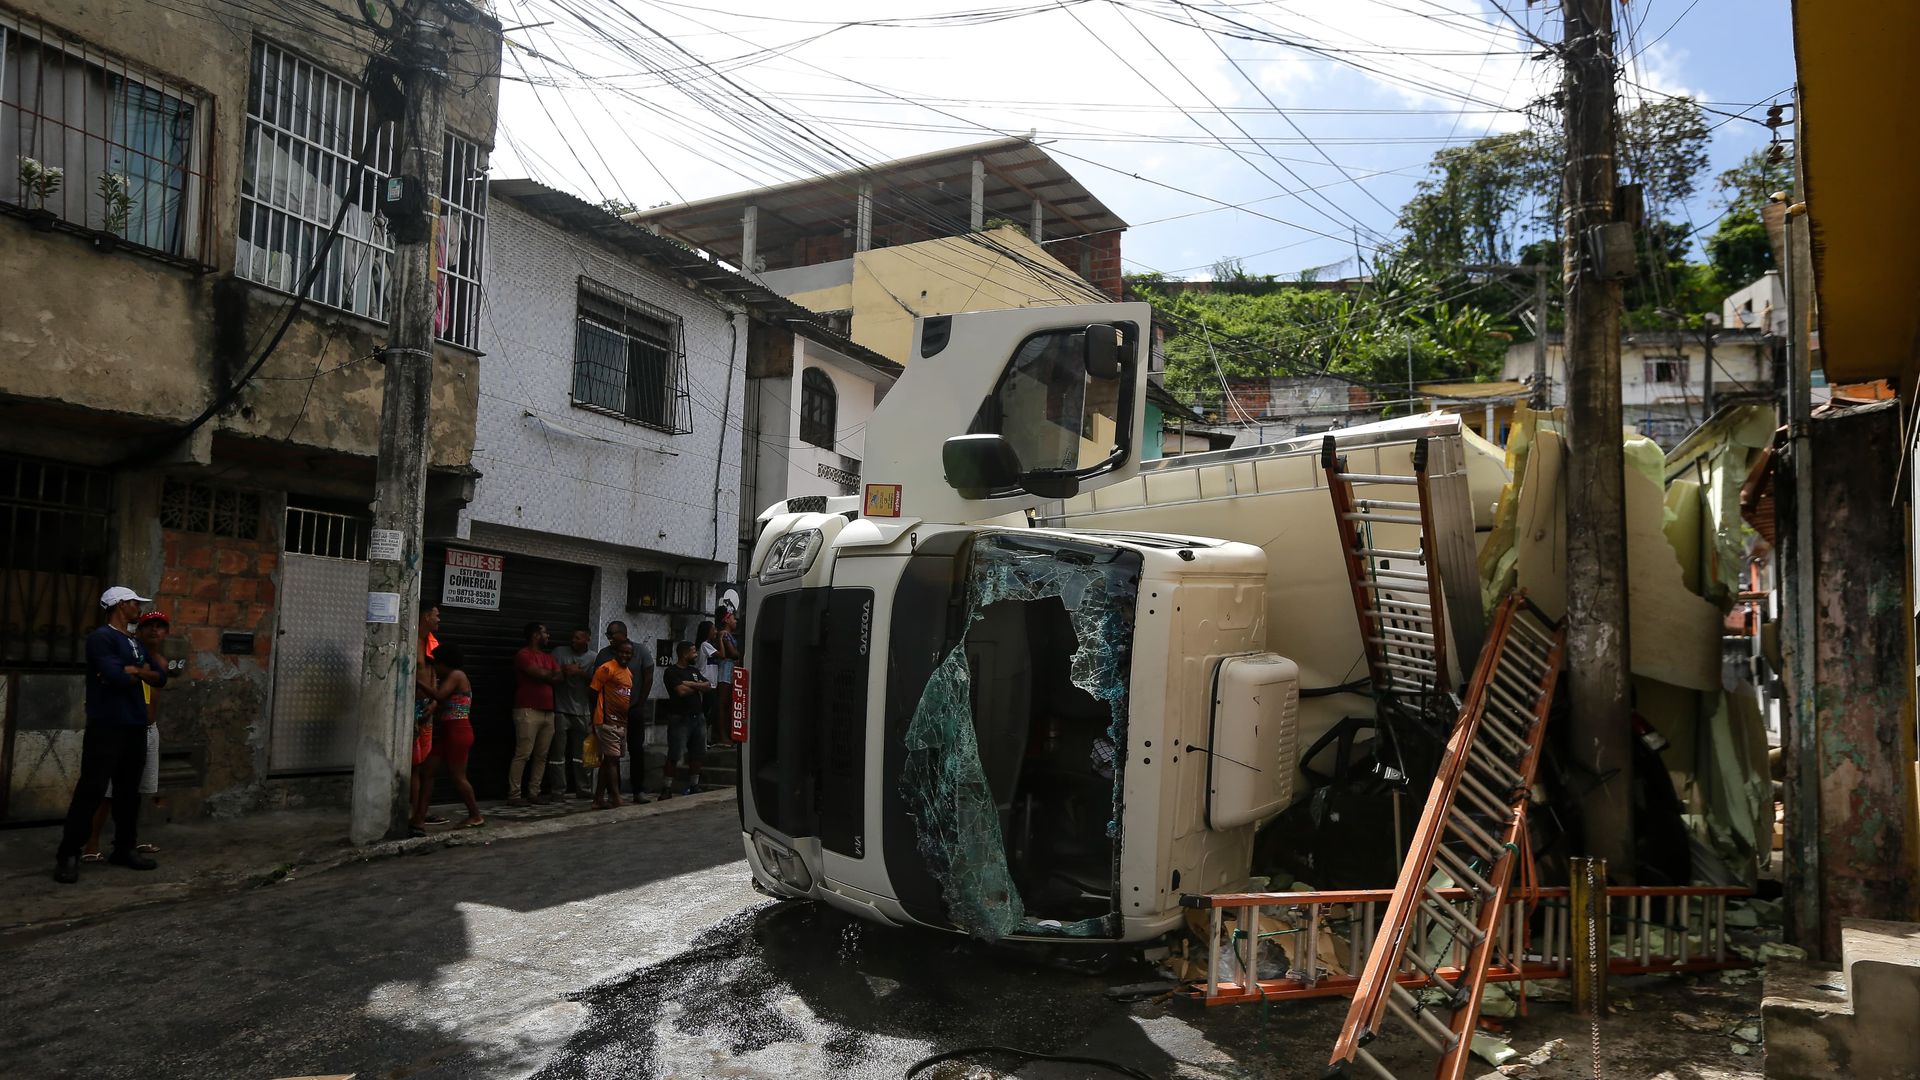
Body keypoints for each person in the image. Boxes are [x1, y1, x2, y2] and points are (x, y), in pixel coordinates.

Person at [54, 586, 166, 883]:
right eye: (134, 603)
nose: (138, 608)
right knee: (91, 790)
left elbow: (162, 676)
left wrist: (134, 671)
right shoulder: (101, 638)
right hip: (106, 726)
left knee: (128, 793)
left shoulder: (136, 641)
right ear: (119, 605)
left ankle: (124, 848)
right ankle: (68, 853)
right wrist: (136, 672)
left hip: (134, 726)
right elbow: (113, 676)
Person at [82, 611, 171, 861]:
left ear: (166, 633)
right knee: (107, 792)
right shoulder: (128, 653)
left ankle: (127, 842)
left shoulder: (161, 663)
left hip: (147, 730)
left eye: (160, 627)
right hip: (122, 727)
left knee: (133, 791)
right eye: (149, 626)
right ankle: (91, 843)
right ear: (138, 630)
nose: (155, 631)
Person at [411, 644, 484, 832]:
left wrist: (418, 682)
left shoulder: (457, 675)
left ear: (445, 663)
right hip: (449, 732)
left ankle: (475, 815)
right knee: (428, 771)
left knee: (458, 777)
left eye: (437, 664)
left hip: (458, 732)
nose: (435, 668)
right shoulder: (453, 676)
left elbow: (440, 696)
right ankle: (419, 818)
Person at [508, 622, 561, 806]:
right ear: (535, 635)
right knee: (523, 753)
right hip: (527, 710)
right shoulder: (524, 655)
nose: (548, 636)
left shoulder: (548, 657)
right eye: (545, 632)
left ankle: (534, 792)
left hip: (548, 712)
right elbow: (540, 674)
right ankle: (514, 794)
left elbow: (558, 677)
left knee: (542, 755)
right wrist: (550, 674)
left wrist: (549, 674)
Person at [588, 641, 639, 809]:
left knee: (608, 760)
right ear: (616, 652)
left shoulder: (628, 674)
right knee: (613, 760)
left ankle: (598, 798)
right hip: (606, 721)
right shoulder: (606, 669)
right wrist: (594, 717)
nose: (625, 656)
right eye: (622, 652)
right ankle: (616, 797)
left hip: (621, 723)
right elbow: (593, 693)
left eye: (628, 653)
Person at [661, 640, 713, 797]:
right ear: (684, 654)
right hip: (680, 718)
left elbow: (708, 685)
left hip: (698, 717)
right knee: (675, 754)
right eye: (693, 651)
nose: (696, 654)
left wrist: (690, 683)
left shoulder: (694, 671)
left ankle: (694, 785)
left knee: (697, 753)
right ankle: (667, 788)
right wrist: (697, 686)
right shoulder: (671, 671)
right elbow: (681, 691)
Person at [549, 628, 597, 798]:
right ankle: (558, 790)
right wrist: (563, 671)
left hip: (582, 711)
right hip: (560, 709)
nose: (573, 641)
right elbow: (550, 675)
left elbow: (597, 683)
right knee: (557, 753)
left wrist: (580, 673)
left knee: (582, 753)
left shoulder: (593, 657)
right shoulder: (559, 652)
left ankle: (583, 789)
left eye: (578, 638)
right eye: (573, 637)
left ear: (587, 639)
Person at [412, 602, 443, 827]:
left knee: (425, 762)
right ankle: (415, 811)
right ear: (425, 617)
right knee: (414, 764)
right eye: (436, 615)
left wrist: (434, 702)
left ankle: (422, 810)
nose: (438, 619)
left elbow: (434, 674)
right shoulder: (411, 641)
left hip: (427, 706)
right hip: (412, 707)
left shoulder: (432, 643)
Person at [695, 619, 722, 741]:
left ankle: (704, 739)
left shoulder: (708, 645)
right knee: (709, 711)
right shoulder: (705, 645)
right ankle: (701, 739)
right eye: (713, 629)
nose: (715, 631)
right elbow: (722, 655)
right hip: (707, 683)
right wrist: (720, 639)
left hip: (711, 683)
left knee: (709, 711)